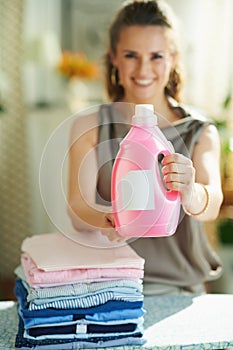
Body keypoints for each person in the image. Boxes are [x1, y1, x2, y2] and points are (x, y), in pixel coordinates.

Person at [67, 0, 223, 294]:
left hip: (179, 288)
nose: (143, 69)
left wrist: (191, 192)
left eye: (156, 56)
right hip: (108, 285)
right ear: (113, 57)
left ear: (174, 58)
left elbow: (212, 202)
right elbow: (76, 208)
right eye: (131, 55)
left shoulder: (199, 131)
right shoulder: (89, 127)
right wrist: (110, 219)